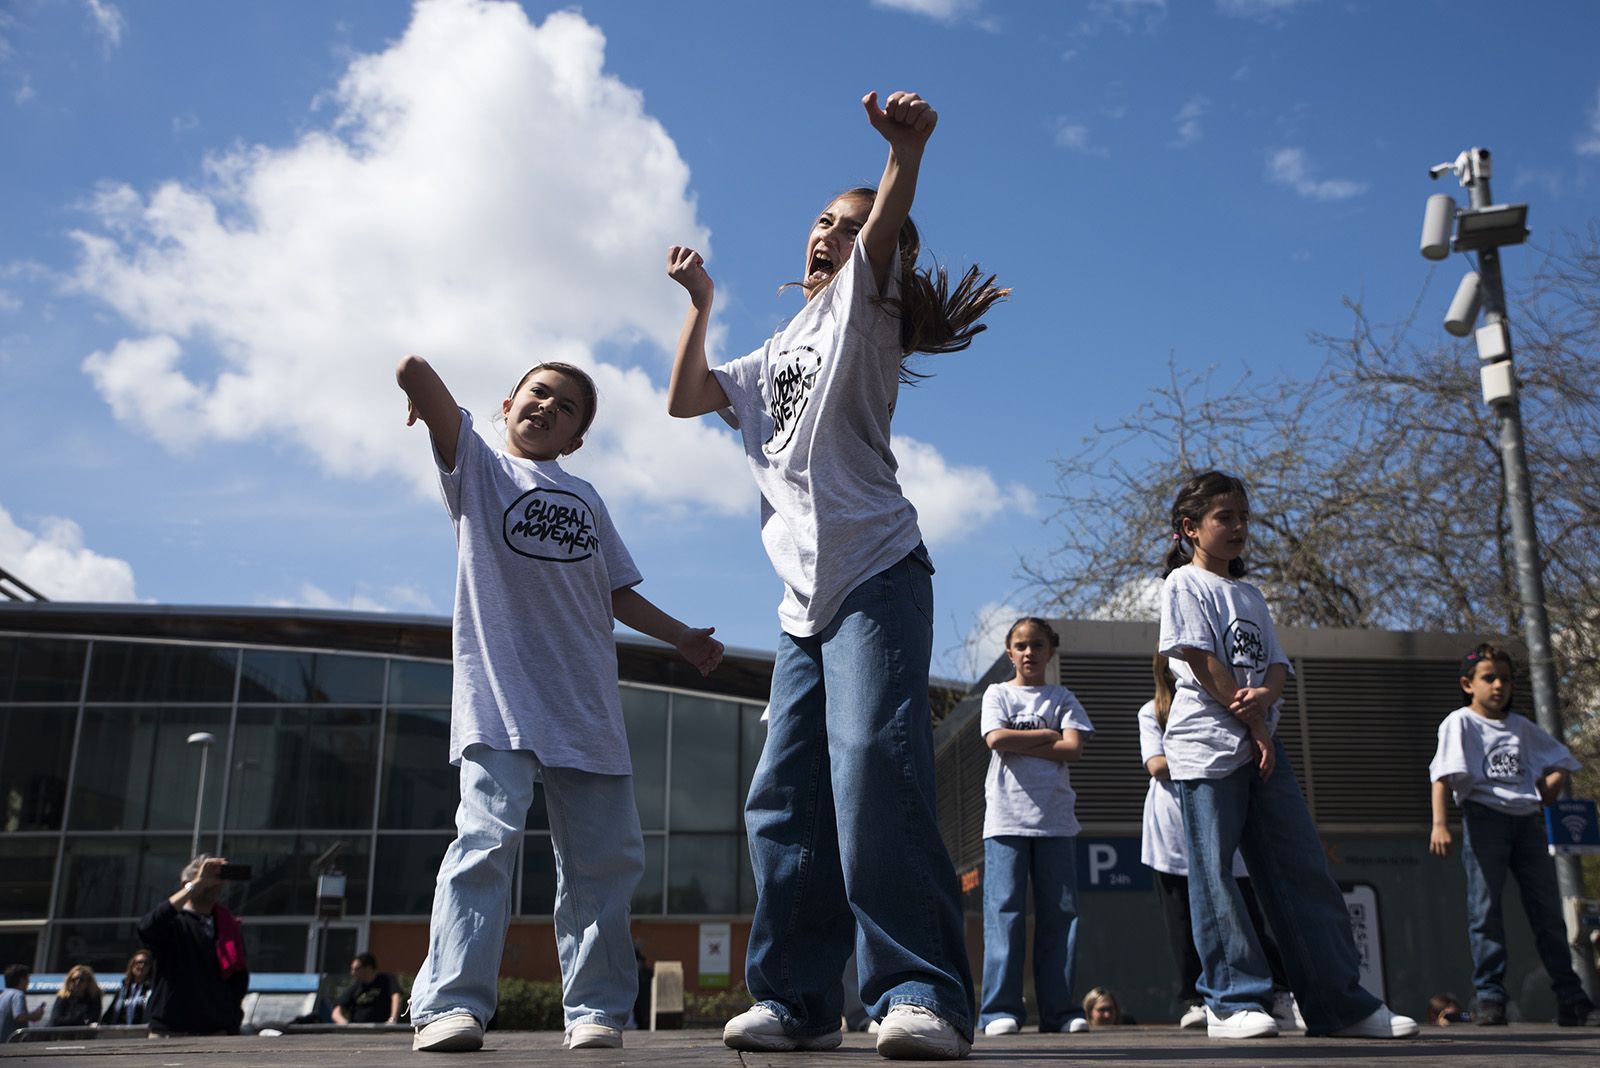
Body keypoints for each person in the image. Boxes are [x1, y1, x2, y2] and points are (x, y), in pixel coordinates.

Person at [666, 88, 1006, 1062]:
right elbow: (687, 396)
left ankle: (920, 992)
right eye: (822, 220)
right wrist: (701, 307)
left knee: (870, 769)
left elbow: (886, 225)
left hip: (876, 573)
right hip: (802, 603)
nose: (831, 234)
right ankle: (799, 1000)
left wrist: (904, 155)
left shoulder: (865, 308)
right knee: (785, 799)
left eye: (851, 227)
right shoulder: (773, 353)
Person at [397, 355, 723, 1054]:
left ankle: (597, 1007)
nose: (548, 406)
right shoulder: (480, 469)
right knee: (484, 843)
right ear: (508, 402)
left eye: (567, 406)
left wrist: (681, 637)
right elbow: (413, 367)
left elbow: (616, 590)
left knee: (604, 861)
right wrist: (422, 394)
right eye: (538, 393)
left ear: (576, 439)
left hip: (584, 705)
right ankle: (451, 1003)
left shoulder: (587, 498)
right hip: (500, 698)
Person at [1158, 470, 1417, 1040]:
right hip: (1208, 748)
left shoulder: (1250, 594)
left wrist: (1266, 703)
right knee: (1216, 875)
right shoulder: (1183, 584)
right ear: (1190, 528)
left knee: (1303, 870)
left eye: (1244, 518)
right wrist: (1251, 719)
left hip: (1262, 749)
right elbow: (1201, 659)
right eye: (1225, 517)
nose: (1238, 528)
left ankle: (1338, 1005)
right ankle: (1232, 1000)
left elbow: (1276, 666)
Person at [1428, 642, 1600, 1027]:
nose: (1499, 686)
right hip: (1484, 817)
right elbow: (1441, 775)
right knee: (1485, 909)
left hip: (1526, 821)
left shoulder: (1521, 727)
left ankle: (1571, 998)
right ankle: (1490, 996)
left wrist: (1553, 782)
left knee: (1547, 911)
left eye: (1505, 679)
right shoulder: (1460, 722)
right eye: (1489, 678)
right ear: (1468, 684)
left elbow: (1558, 762)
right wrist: (1439, 824)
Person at [1139, 653, 1294, 1030]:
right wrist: (1204, 756)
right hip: (1172, 834)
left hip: (1224, 823)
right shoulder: (1152, 712)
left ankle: (1278, 992)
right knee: (1183, 921)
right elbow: (1156, 765)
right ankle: (1197, 998)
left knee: (1246, 914)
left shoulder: (1229, 707)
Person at [977, 618, 1092, 1037]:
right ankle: (999, 1010)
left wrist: (1020, 739)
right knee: (1004, 914)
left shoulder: (1063, 697)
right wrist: (1047, 735)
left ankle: (1059, 1012)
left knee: (1060, 916)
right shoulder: (997, 694)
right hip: (1006, 819)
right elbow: (995, 739)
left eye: (1038, 645)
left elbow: (1073, 747)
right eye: (1021, 645)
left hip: (1055, 821)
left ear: (1051, 650)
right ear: (1010, 652)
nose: (1029, 652)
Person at [137, 855, 250, 1036]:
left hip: (218, 1029)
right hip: (172, 1030)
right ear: (186, 885)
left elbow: (239, 977)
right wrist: (196, 885)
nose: (214, 884)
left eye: (217, 879)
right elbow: (147, 928)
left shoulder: (227, 924)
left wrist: (230, 1014)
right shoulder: (173, 921)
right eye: (206, 878)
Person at [332, 953, 401, 1025]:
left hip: (382, 1028)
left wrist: (392, 1019)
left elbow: (396, 997)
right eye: (352, 969)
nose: (353, 973)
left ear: (368, 968)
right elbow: (336, 1011)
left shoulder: (386, 980)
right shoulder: (354, 988)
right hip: (359, 1030)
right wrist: (344, 1024)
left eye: (357, 969)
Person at [101, 951, 155, 1027]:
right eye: (138, 962)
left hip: (142, 1030)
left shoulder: (152, 989)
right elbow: (110, 1013)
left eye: (145, 963)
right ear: (132, 965)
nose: (142, 966)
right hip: (120, 1030)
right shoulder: (123, 989)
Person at [1, 964, 45, 1042]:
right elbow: (20, 1016)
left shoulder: (3, 994)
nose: (29, 982)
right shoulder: (18, 994)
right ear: (21, 980)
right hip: (11, 1043)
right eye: (27, 978)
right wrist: (35, 1015)